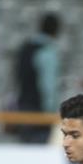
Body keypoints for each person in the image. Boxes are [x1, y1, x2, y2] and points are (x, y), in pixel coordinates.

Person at [13, 13, 61, 143]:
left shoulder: (25, 48)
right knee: (38, 148)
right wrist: (50, 112)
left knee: (25, 147)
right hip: (39, 111)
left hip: (23, 106)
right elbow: (48, 85)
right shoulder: (47, 51)